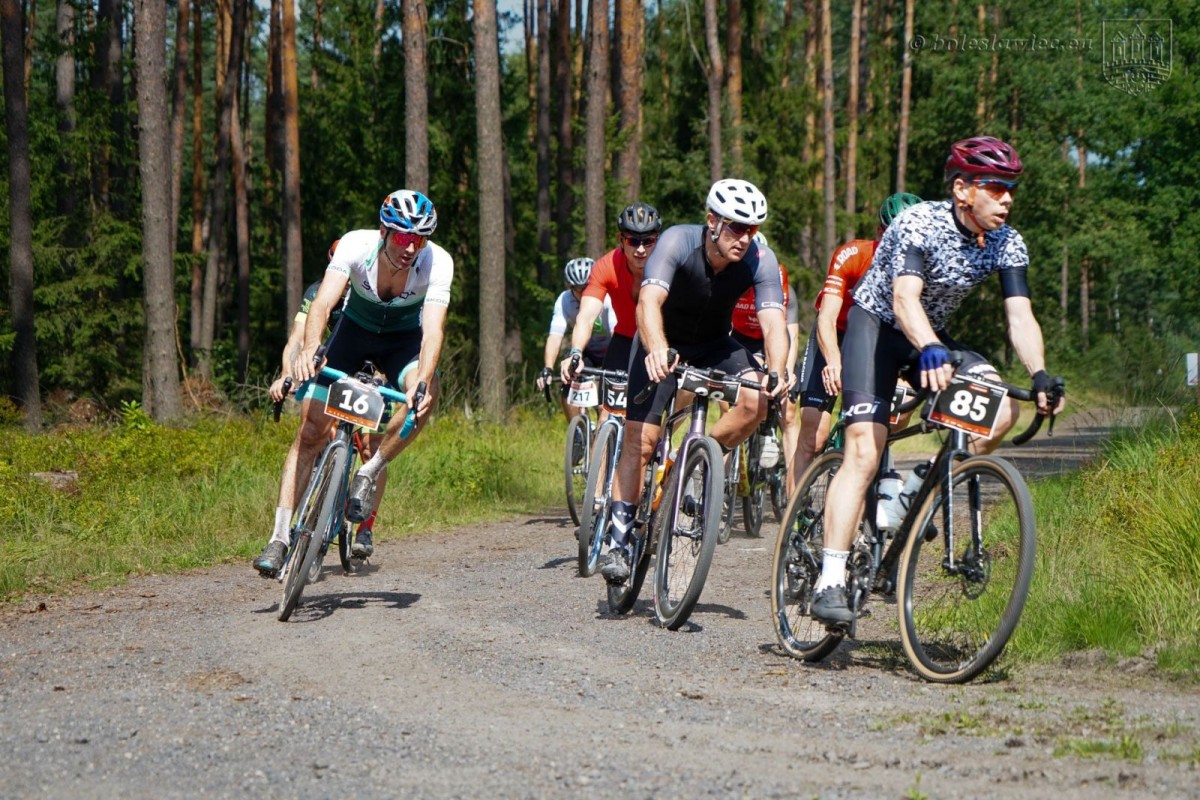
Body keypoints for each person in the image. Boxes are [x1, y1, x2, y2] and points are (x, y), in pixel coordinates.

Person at [808, 136, 1064, 626]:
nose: (1008, 198)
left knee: (1003, 409)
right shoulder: (918, 222)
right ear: (963, 189)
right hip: (877, 327)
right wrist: (927, 348)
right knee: (864, 450)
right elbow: (905, 299)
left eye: (1012, 188)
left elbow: (1020, 316)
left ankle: (915, 488)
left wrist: (1038, 373)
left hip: (931, 335)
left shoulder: (1008, 242)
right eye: (996, 187)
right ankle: (831, 578)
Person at [599, 179, 789, 584]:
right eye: (736, 227)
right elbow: (649, 302)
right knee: (642, 441)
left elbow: (774, 323)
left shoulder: (760, 258)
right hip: (663, 342)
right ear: (712, 222)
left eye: (752, 229)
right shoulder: (676, 242)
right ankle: (618, 540)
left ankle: (693, 457)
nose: (744, 238)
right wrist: (655, 349)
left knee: (756, 403)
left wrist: (778, 369)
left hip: (717, 344)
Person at [253, 189, 453, 575]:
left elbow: (432, 331)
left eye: (420, 239)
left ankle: (370, 470)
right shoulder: (355, 245)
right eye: (403, 237)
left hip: (403, 341)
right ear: (383, 231)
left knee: (425, 397)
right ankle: (279, 538)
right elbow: (323, 304)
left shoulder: (438, 262)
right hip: (354, 332)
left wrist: (422, 382)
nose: (411, 247)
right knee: (310, 433)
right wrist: (312, 348)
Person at [788, 193, 922, 493]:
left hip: (879, 341)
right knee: (814, 433)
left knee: (886, 423)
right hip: (836, 332)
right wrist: (833, 361)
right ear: (879, 233)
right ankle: (793, 522)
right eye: (894, 236)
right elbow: (826, 316)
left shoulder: (921, 267)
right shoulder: (853, 255)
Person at [558, 201, 662, 388]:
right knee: (607, 413)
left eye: (648, 241)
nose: (640, 249)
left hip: (663, 338)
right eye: (633, 241)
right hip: (625, 338)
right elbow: (586, 317)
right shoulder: (606, 266)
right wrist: (575, 353)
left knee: (680, 396)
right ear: (621, 240)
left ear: (657, 240)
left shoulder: (669, 264)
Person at [729, 232, 801, 478]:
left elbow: (787, 330)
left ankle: (795, 494)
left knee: (788, 407)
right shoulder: (730, 275)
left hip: (772, 335)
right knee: (731, 400)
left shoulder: (778, 281)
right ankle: (723, 475)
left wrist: (787, 370)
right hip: (739, 337)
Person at [535, 258, 617, 421]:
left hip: (611, 347)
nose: (582, 293)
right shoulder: (564, 300)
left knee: (605, 404)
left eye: (586, 287)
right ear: (569, 287)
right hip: (585, 349)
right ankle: (578, 431)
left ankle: (605, 433)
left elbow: (616, 331)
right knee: (568, 378)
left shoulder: (607, 297)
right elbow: (555, 336)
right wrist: (548, 368)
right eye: (577, 289)